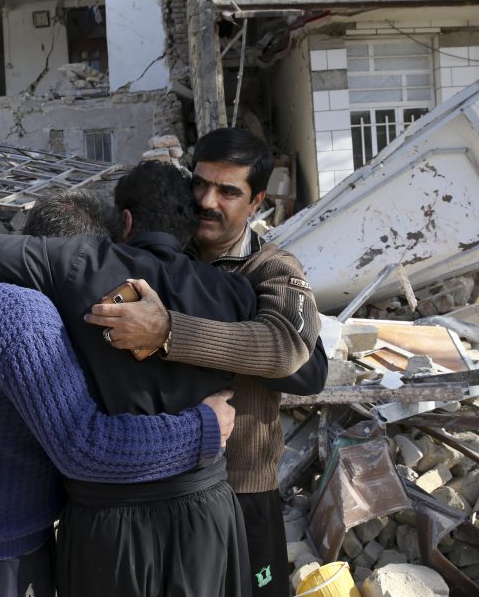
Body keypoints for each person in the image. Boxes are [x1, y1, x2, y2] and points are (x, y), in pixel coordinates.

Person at [0, 163, 260, 597]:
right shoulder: (236, 292)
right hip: (207, 511)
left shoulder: (79, 267)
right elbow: (303, 368)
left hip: (106, 524)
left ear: (125, 221)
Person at [86, 128, 323, 597]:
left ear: (256, 202)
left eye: (228, 192)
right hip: (164, 482)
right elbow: (70, 259)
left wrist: (169, 332)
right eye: (200, 184)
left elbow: (287, 348)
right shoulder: (161, 254)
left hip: (242, 486)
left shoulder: (272, 268)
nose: (208, 202)